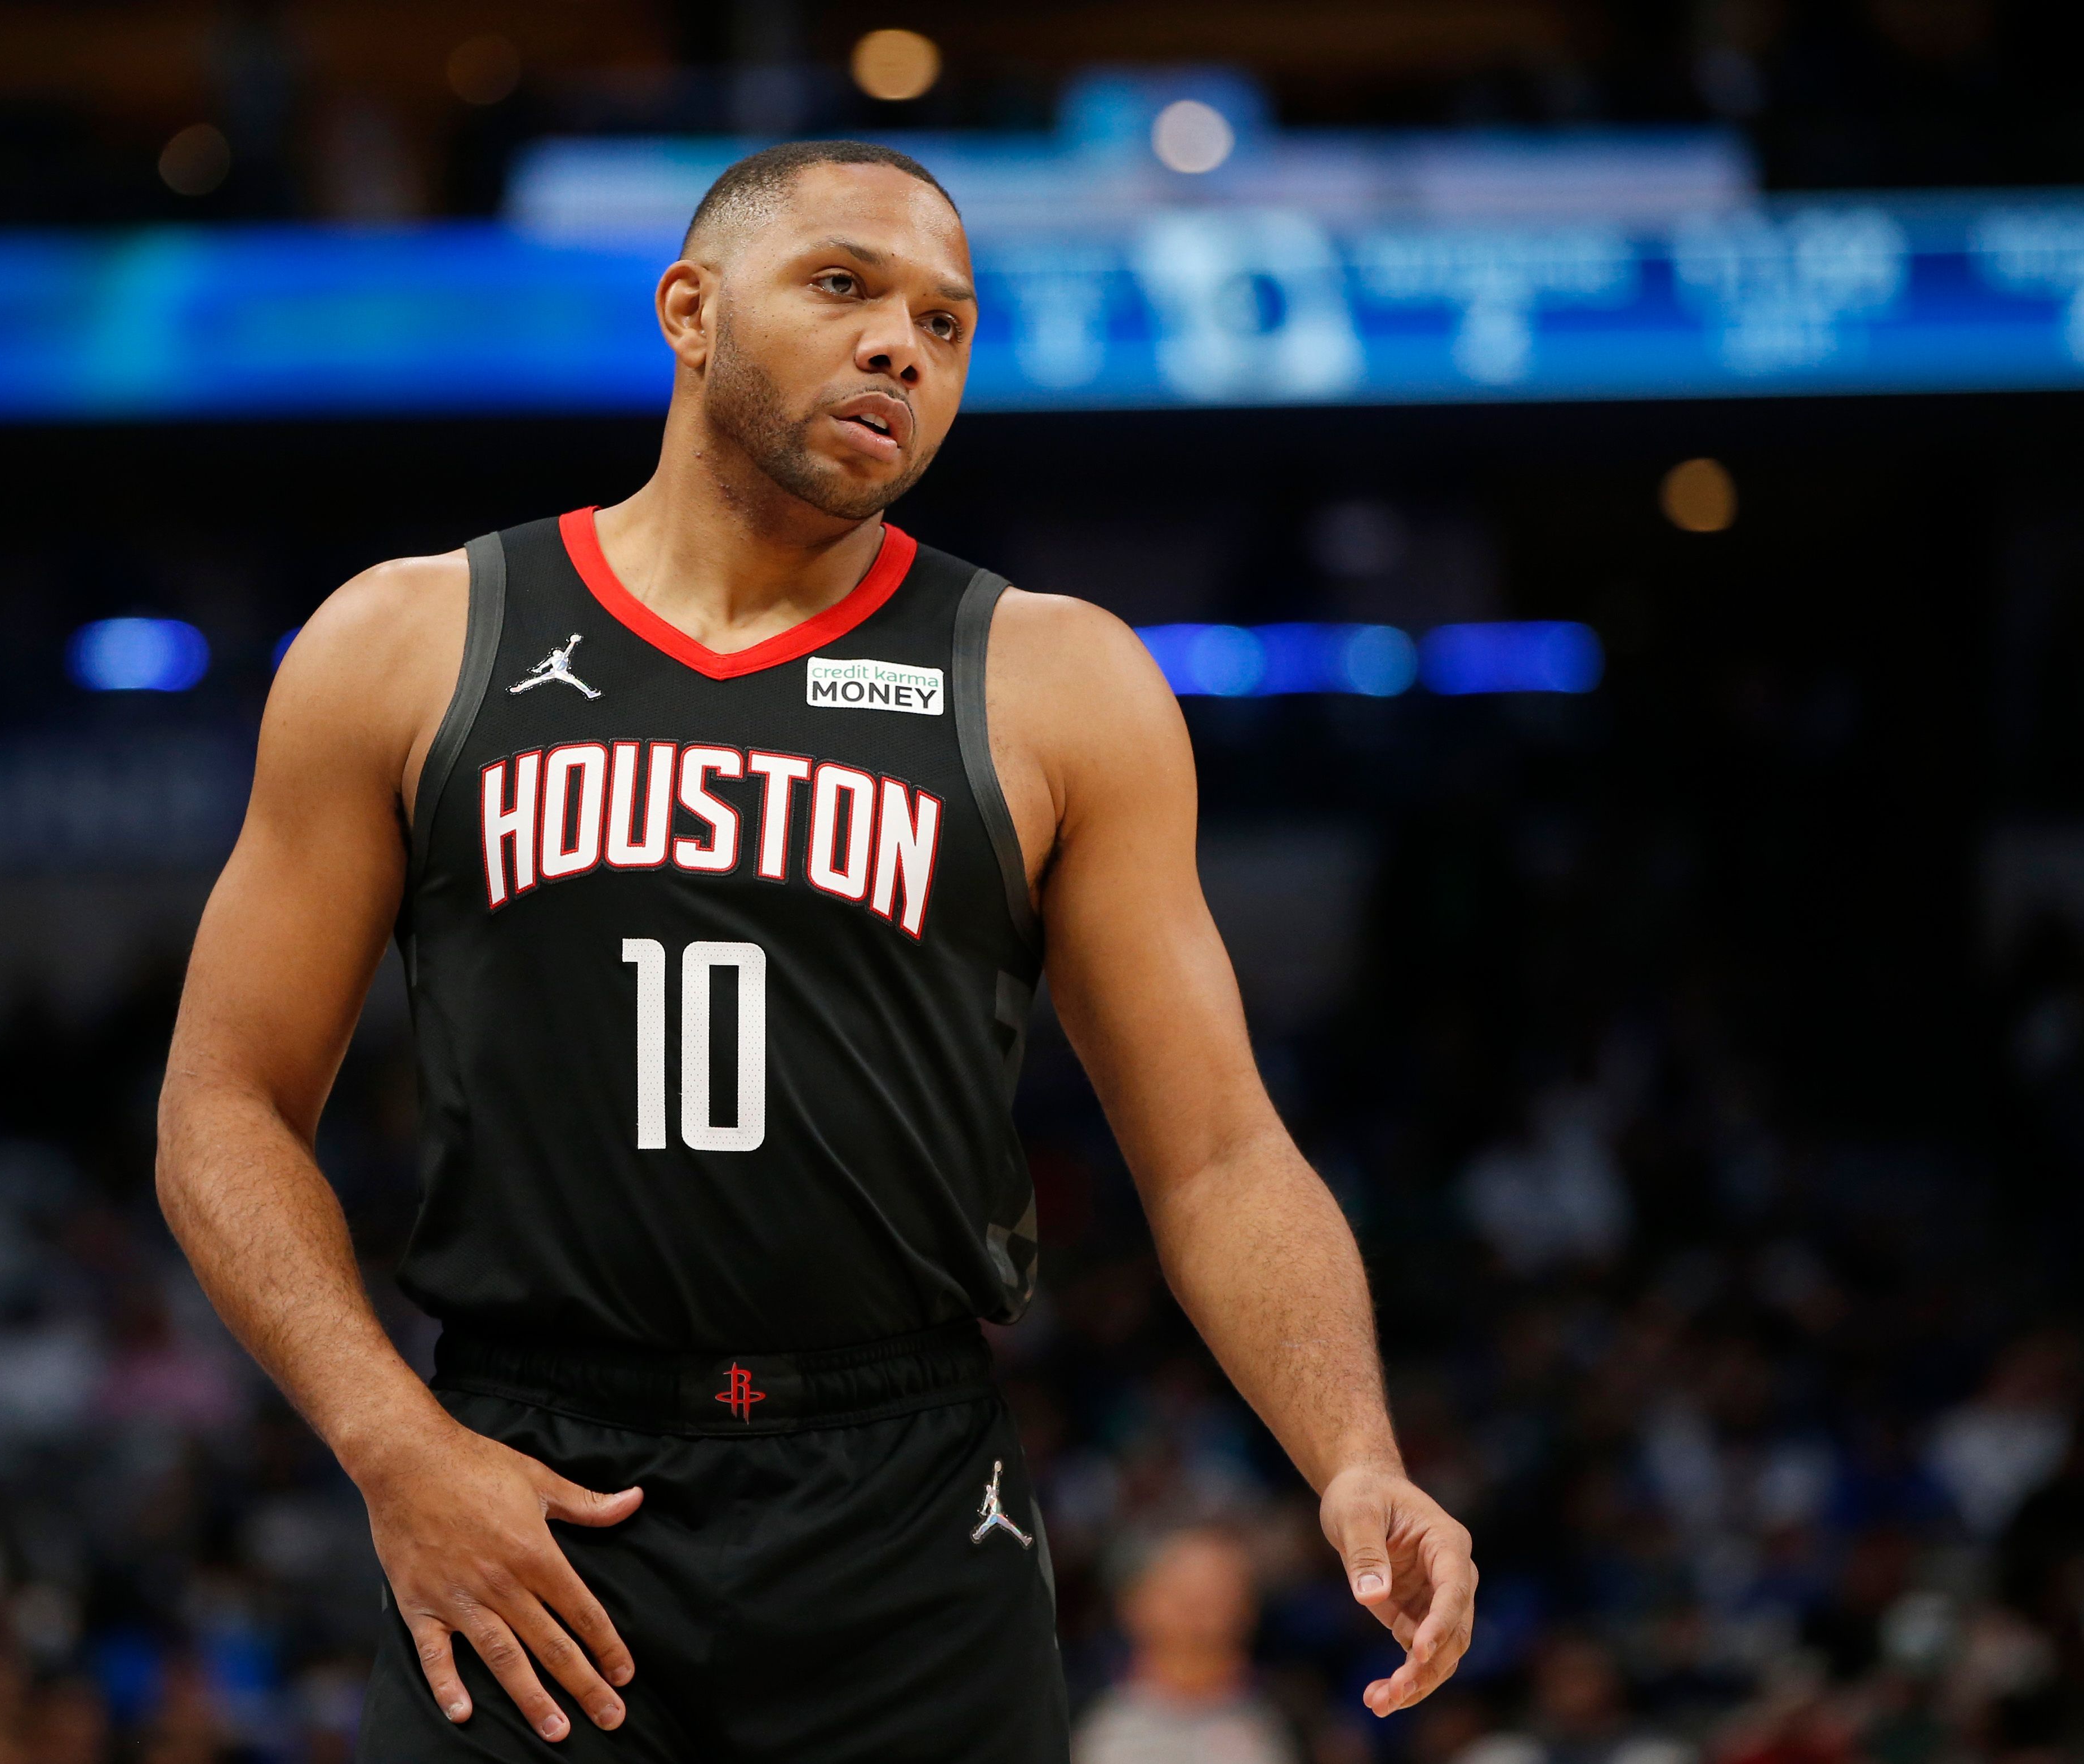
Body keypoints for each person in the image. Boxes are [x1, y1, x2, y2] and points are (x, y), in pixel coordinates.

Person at [155, 138, 1477, 1762]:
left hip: (902, 1499)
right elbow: (221, 1104)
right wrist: (391, 1443)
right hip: (527, 1479)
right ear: (690, 312)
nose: (898, 347)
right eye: (845, 286)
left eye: (945, 322)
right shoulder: (413, 639)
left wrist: (1353, 1449)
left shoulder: (1057, 681)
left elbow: (1213, 1149)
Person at [1076, 1529, 1296, 1764]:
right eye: (1180, 1596)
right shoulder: (1080, 1716)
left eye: (1216, 1597)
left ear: (1248, 1610)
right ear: (1133, 1605)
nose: (1197, 1616)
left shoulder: (1284, 1719)